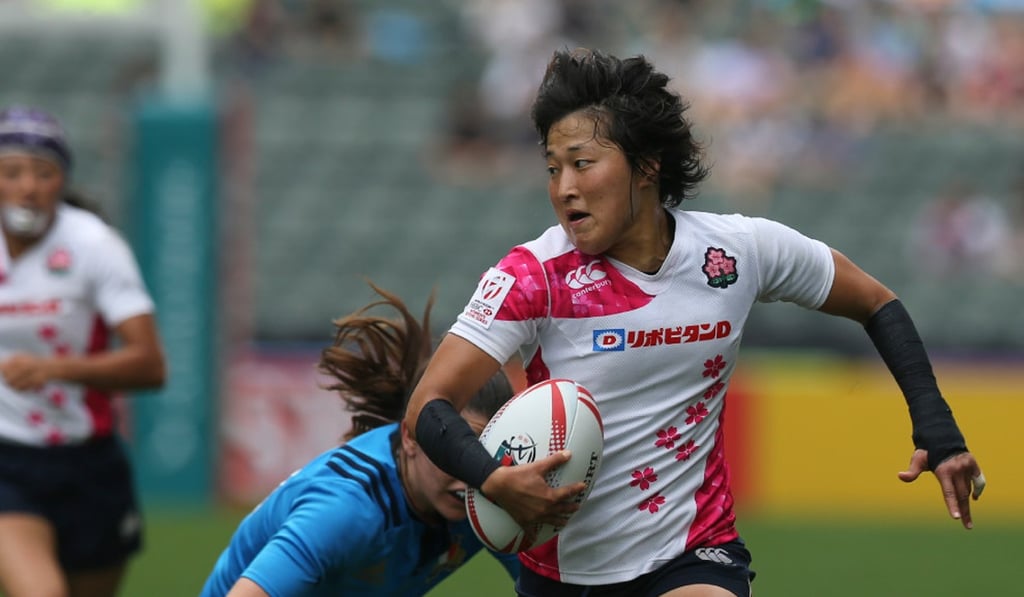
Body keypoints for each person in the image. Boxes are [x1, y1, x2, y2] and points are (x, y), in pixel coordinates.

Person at [403, 48, 987, 597]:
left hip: (693, 551)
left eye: (583, 164)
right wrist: (492, 478)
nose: (565, 188)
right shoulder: (534, 275)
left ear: (646, 168)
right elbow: (428, 407)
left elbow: (876, 302)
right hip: (561, 572)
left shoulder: (737, 252)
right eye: (553, 169)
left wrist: (937, 429)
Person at [200, 284, 521, 597]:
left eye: (484, 452)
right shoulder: (345, 509)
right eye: (456, 447)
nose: (471, 469)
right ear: (411, 436)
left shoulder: (491, 493)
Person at [0, 106, 167, 597]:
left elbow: (151, 365)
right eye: (11, 173)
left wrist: (55, 369)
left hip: (89, 464)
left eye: (43, 173)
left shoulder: (94, 245)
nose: (28, 187)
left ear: (62, 181)